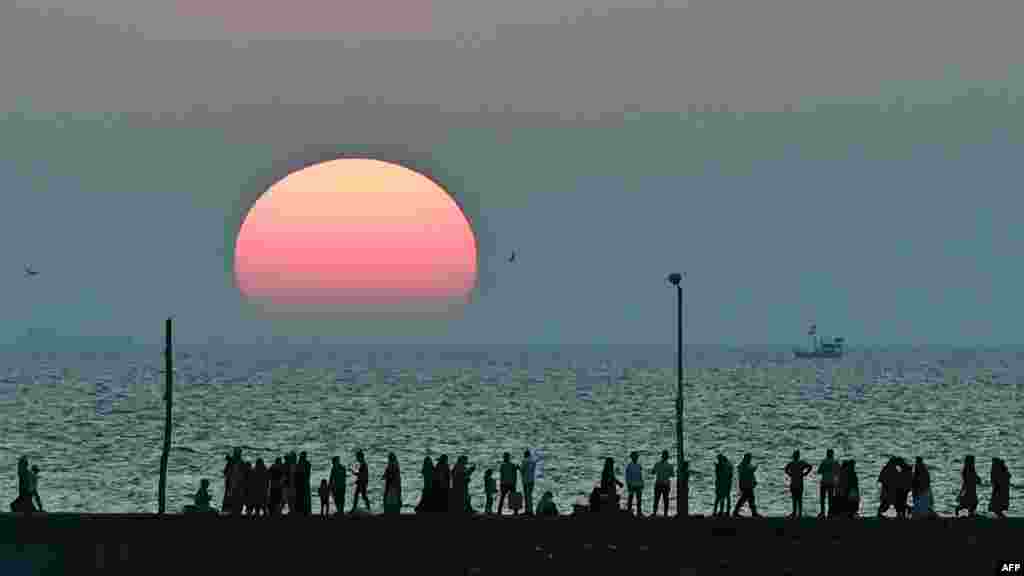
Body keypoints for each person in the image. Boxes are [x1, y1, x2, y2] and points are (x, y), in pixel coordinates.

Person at [784, 450, 812, 518]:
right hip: (800, 483)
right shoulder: (801, 463)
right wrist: (805, 473)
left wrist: (789, 474)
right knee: (799, 499)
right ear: (798, 456)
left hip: (793, 482)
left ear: (794, 456)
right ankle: (799, 513)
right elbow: (810, 466)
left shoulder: (791, 463)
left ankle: (794, 513)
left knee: (794, 498)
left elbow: (785, 469)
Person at [732, 453, 760, 518]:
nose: (750, 459)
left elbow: (749, 472)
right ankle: (753, 513)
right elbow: (748, 473)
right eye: (749, 458)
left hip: (747, 485)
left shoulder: (744, 465)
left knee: (746, 499)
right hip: (746, 486)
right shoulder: (743, 465)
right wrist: (754, 469)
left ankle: (753, 513)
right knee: (747, 499)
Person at [650, 450, 674, 517]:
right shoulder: (670, 466)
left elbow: (652, 472)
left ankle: (654, 513)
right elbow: (672, 475)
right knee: (666, 499)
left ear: (662, 456)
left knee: (656, 499)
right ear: (667, 457)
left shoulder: (657, 464)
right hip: (666, 484)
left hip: (658, 483)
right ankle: (665, 514)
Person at [816, 449, 838, 518]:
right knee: (830, 499)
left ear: (827, 454)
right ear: (832, 454)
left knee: (822, 498)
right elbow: (838, 472)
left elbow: (819, 471)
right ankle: (830, 513)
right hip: (831, 482)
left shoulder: (824, 462)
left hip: (824, 482)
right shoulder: (835, 462)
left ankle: (822, 513)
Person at [625, 451, 644, 516]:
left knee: (639, 500)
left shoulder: (639, 465)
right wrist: (628, 484)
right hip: (632, 485)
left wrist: (642, 483)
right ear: (632, 457)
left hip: (638, 484)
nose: (636, 457)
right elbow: (627, 476)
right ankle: (629, 512)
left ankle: (639, 512)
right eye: (634, 456)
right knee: (630, 499)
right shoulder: (629, 466)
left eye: (636, 456)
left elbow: (640, 475)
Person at [521, 450, 538, 516]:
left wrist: (518, 467)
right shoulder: (533, 461)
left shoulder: (524, 461)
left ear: (525, 454)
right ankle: (530, 510)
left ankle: (528, 511)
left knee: (526, 496)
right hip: (532, 480)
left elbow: (522, 470)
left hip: (526, 481)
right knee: (530, 496)